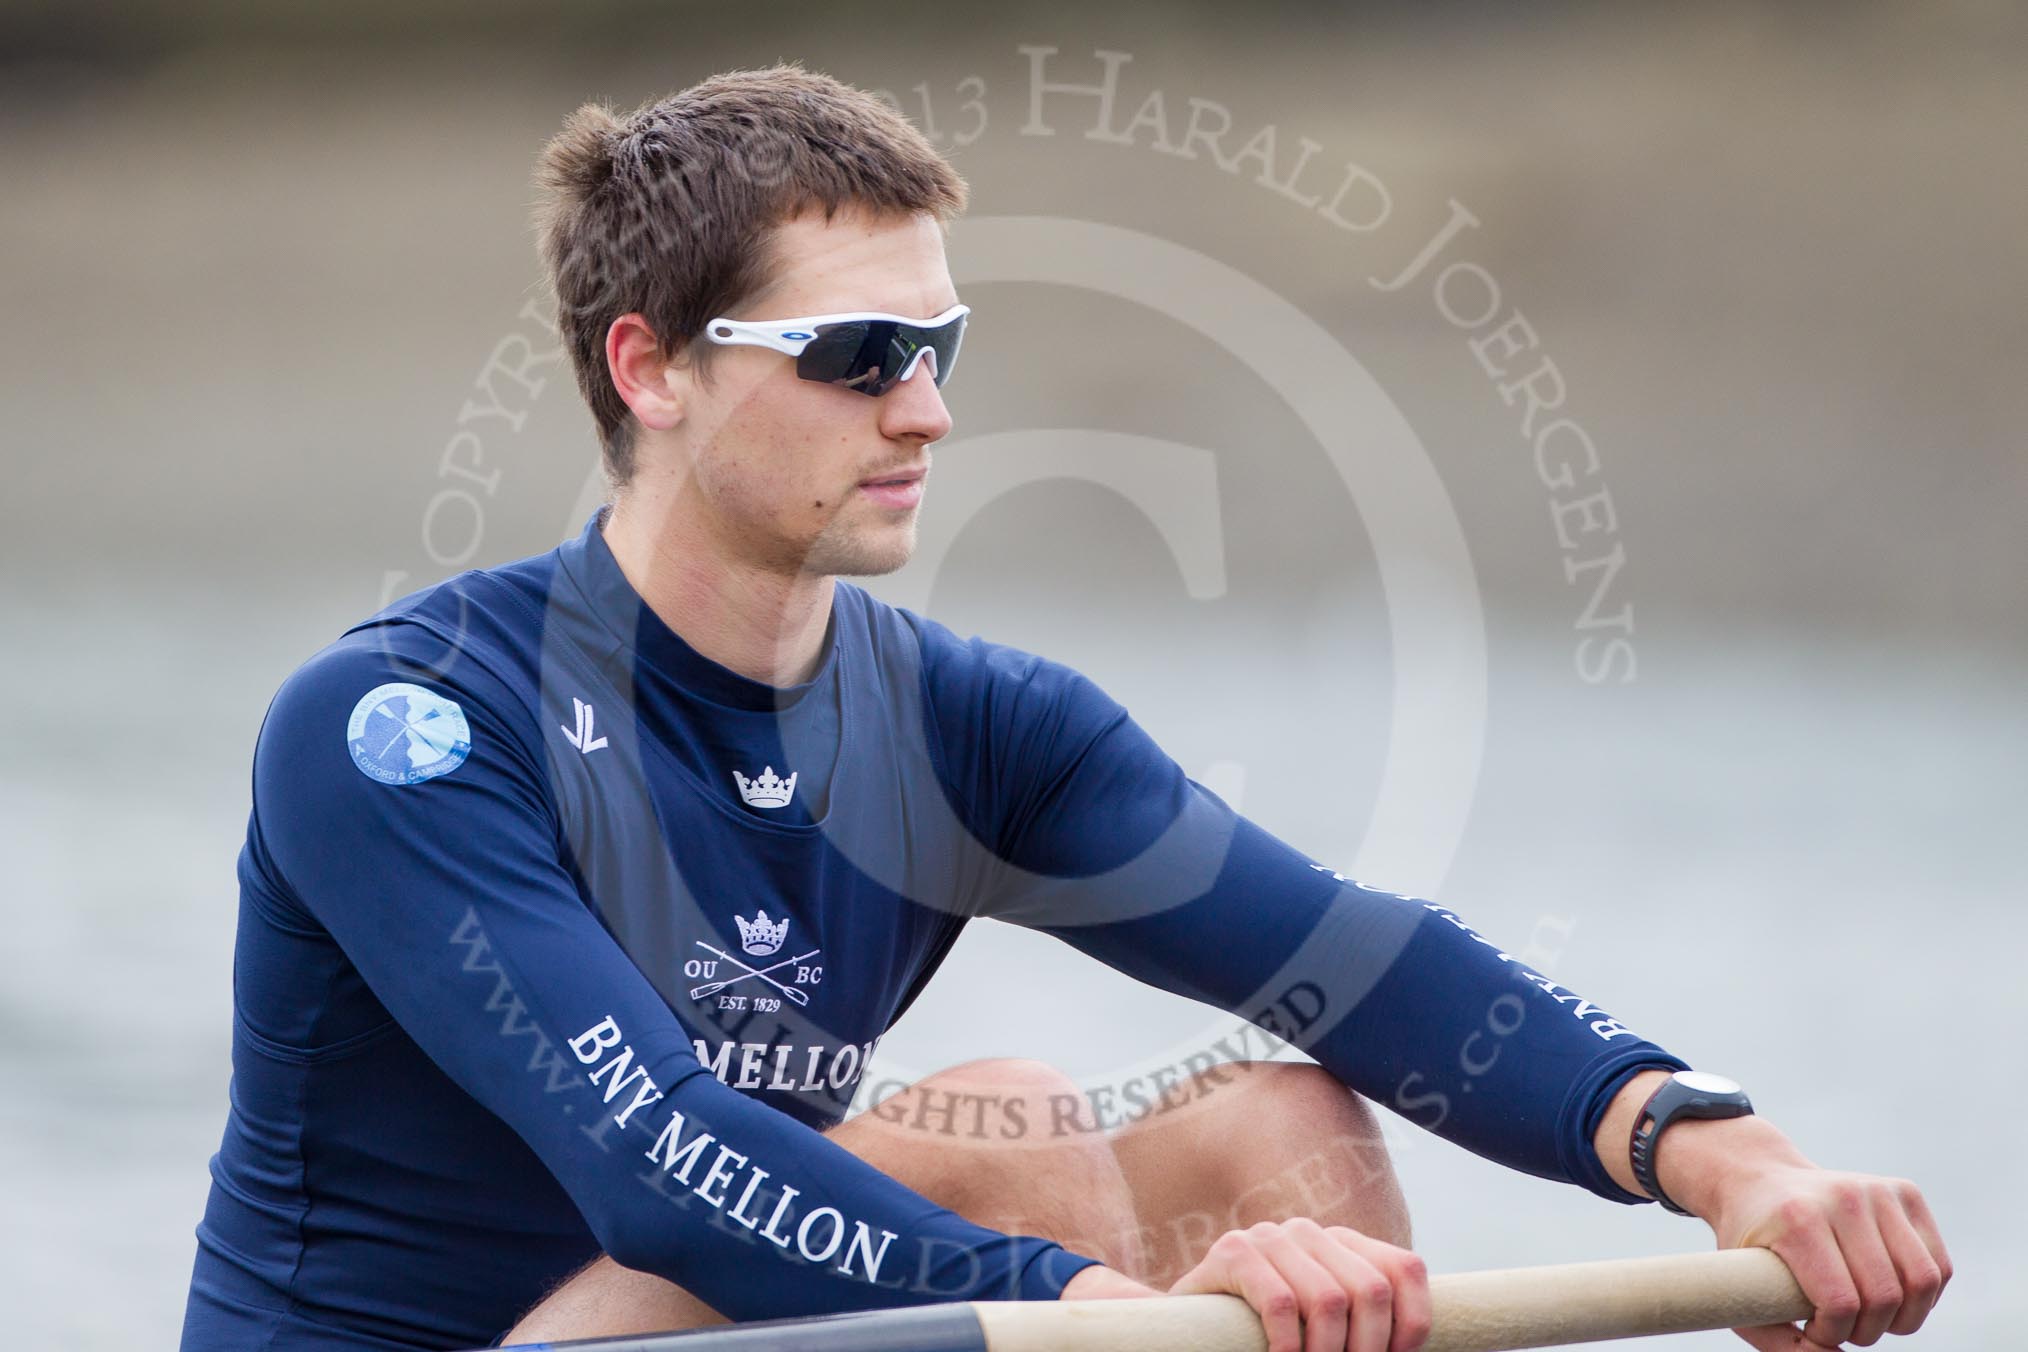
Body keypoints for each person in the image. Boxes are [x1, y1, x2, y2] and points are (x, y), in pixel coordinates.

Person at [180, 64, 1950, 1352]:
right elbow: (657, 1164)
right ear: (652, 368)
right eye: (860, 358)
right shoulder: (401, 729)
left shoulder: (968, 725)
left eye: (941, 351)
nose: (927, 413)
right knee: (1015, 1136)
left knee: (1276, 1130)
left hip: (719, 1318)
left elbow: (1373, 963)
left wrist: (1728, 1158)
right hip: (467, 1336)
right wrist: (1102, 1309)